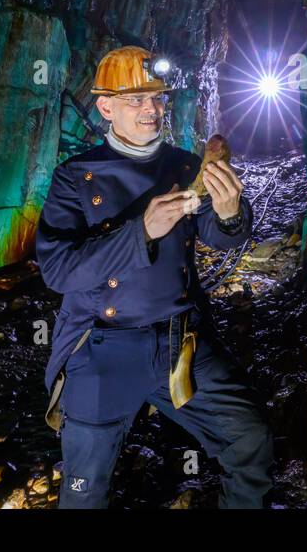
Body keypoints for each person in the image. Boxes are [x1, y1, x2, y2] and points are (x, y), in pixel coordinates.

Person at [35, 45, 274, 508]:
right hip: (100, 346)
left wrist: (228, 214)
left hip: (180, 341)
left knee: (250, 439)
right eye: (135, 100)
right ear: (105, 106)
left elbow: (220, 237)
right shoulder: (76, 177)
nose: (151, 109)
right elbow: (59, 270)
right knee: (84, 492)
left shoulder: (185, 166)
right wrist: (141, 230)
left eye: (158, 99)